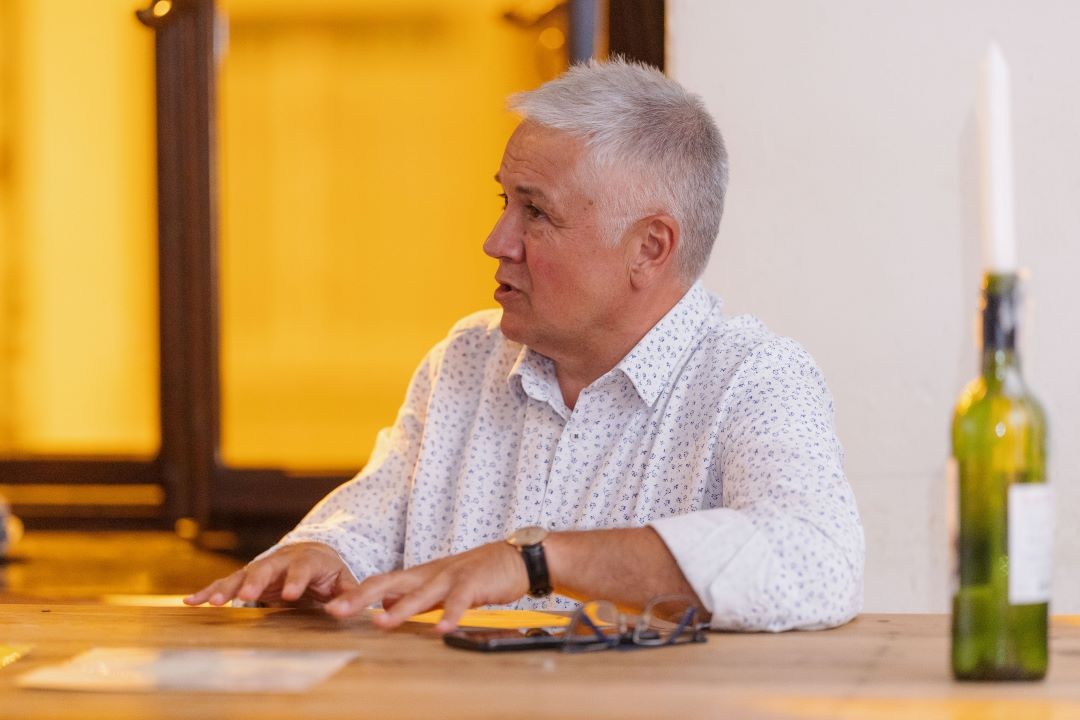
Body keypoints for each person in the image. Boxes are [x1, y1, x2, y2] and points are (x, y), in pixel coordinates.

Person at [186, 59, 864, 633]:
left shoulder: (754, 377)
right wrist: (322, 554)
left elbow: (816, 563)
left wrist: (535, 560)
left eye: (536, 212)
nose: (497, 242)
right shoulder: (464, 358)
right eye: (504, 202)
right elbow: (371, 518)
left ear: (649, 248)